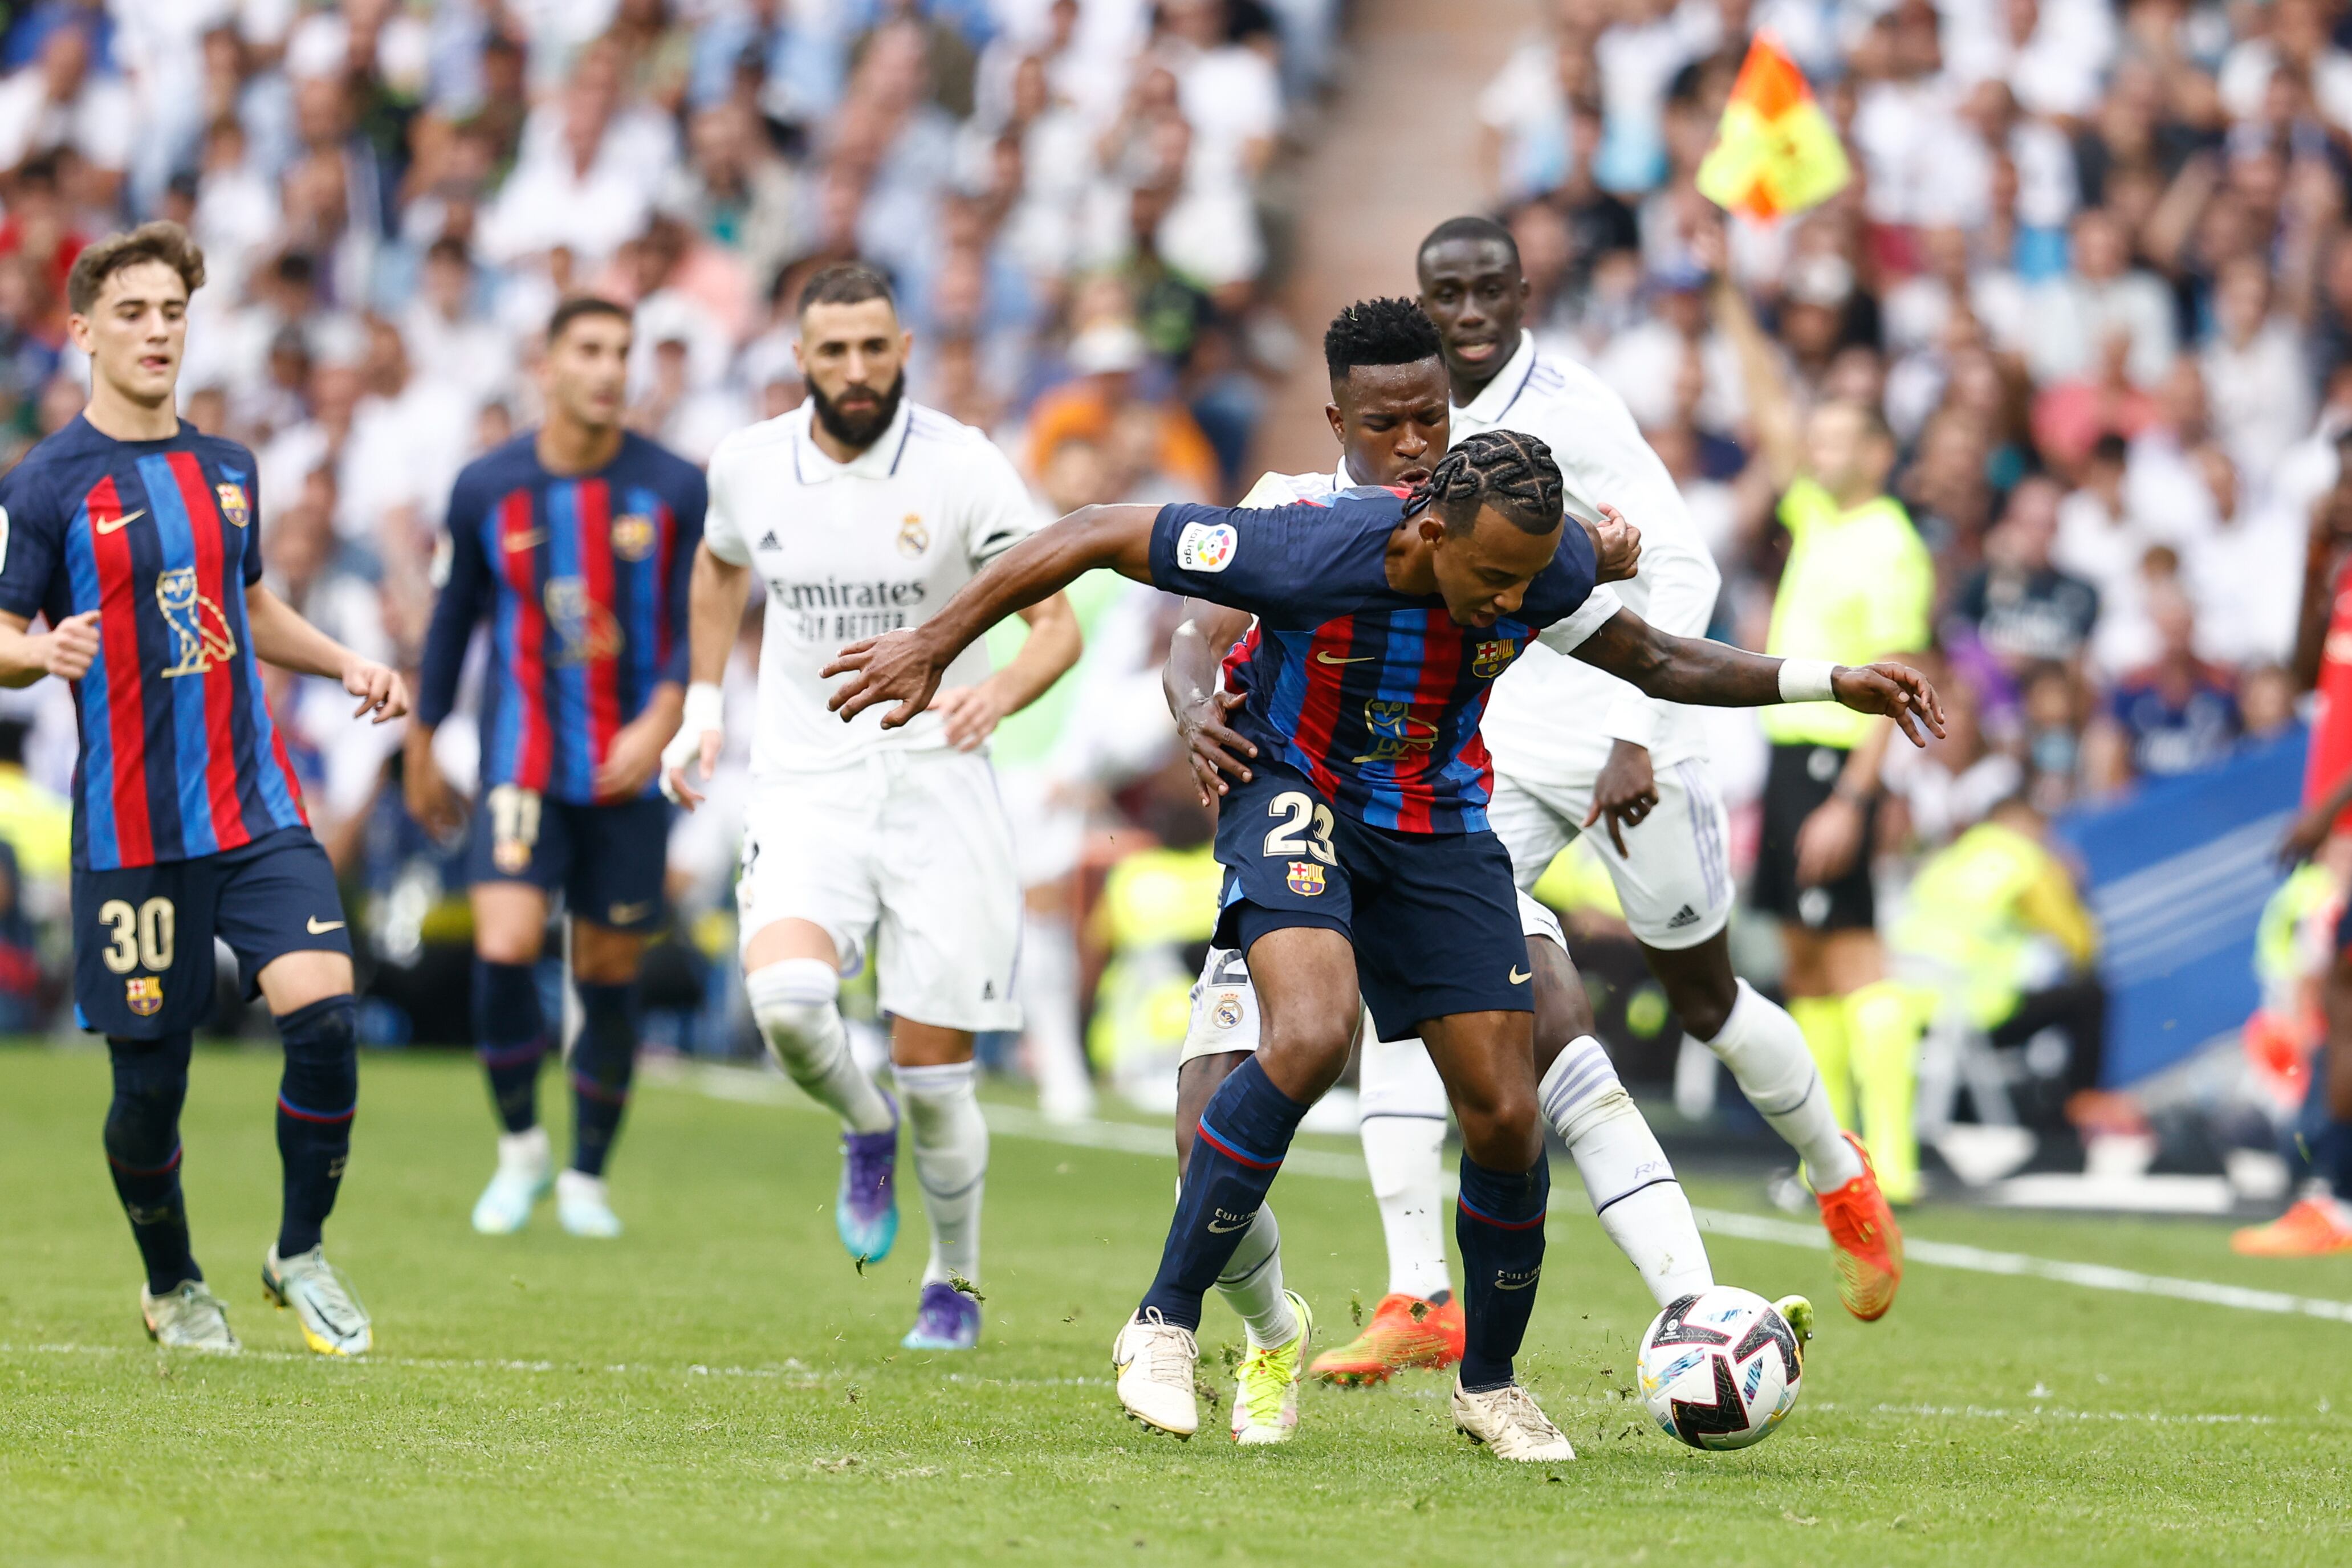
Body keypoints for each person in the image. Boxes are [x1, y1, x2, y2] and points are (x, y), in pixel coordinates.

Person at [825, 428, 1943, 1457]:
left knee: (1506, 1107)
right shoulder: (1305, 548)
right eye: (1493, 577)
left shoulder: (1536, 564)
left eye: (1527, 579)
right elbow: (1089, 532)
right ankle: (1161, 1320)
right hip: (1294, 792)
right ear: (1424, 531)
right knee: (1309, 1033)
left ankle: (1490, 1382)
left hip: (1439, 823)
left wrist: (1827, 681)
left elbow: (1658, 661)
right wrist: (934, 642)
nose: (1514, 600)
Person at [1167, 297, 1744, 1440]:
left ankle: (1539, 1327)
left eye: (1431, 415)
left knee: (1528, 1053)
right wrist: (1193, 708)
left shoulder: (1490, 517)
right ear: (1340, 416)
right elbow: (1193, 630)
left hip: (1439, 820)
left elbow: (1608, 585)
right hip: (1295, 819)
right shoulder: (1287, 511)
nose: (1413, 441)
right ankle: (1273, 1324)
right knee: (1205, 1123)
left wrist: (1608, 553)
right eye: (1387, 422)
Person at [1326, 214, 1900, 1329]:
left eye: (1491, 290)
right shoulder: (1423, 422)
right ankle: (1416, 1292)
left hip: (1631, 732)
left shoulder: (1574, 413)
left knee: (1704, 998)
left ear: (1524, 293)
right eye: (1448, 294)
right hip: (1505, 743)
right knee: (1408, 960)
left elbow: (1681, 567)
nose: (1471, 313)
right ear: (1424, 302)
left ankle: (1838, 1171)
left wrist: (1636, 729)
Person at [0, 222, 407, 1356]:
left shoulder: (230, 468)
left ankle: (301, 1248)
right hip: (131, 829)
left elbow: (251, 604)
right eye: (131, 312)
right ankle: (173, 1280)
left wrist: (345, 660)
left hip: (252, 804)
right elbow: (2, 630)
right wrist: (38, 653)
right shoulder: (43, 483)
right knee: (150, 1088)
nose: (156, 331)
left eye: (171, 311)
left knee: (324, 1010)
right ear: (82, 331)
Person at [660, 263, 1080, 1351]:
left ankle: (955, 1280)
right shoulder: (749, 466)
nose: (855, 370)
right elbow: (716, 570)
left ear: (904, 350)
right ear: (798, 360)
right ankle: (863, 1125)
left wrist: (995, 687)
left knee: (938, 1077)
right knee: (791, 1004)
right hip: (805, 784)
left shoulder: (962, 467)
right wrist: (704, 705)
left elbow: (1056, 626)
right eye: (832, 351)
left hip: (938, 789)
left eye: (874, 348)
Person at [405, 297, 707, 1240]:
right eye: (589, 350)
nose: (609, 368)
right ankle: (520, 1151)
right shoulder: (485, 488)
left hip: (628, 770)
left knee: (607, 973)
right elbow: (454, 622)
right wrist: (420, 741)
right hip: (520, 763)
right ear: (547, 363)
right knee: (501, 948)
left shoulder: (674, 487)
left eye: (620, 351)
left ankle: (586, 1175)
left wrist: (663, 716)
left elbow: (705, 621)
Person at [1713, 241, 1939, 1208]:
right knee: (1808, 963)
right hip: (1791, 756)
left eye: (1842, 438)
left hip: (1838, 765)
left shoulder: (1890, 544)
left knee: (1853, 956)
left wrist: (1855, 798)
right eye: (1824, 436)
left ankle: (1890, 1161)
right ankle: (1835, 1158)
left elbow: (1901, 683)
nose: (1821, 447)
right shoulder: (1818, 512)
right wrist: (1726, 295)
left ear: (1880, 454)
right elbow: (1771, 414)